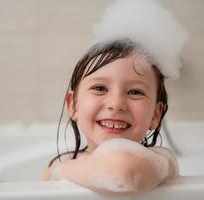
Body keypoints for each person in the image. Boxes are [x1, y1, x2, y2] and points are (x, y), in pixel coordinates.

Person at [44, 0, 188, 195]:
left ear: (156, 114)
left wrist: (59, 171)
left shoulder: (159, 159)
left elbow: (122, 174)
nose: (116, 104)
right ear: (73, 105)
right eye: (100, 88)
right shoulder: (64, 161)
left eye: (135, 92)